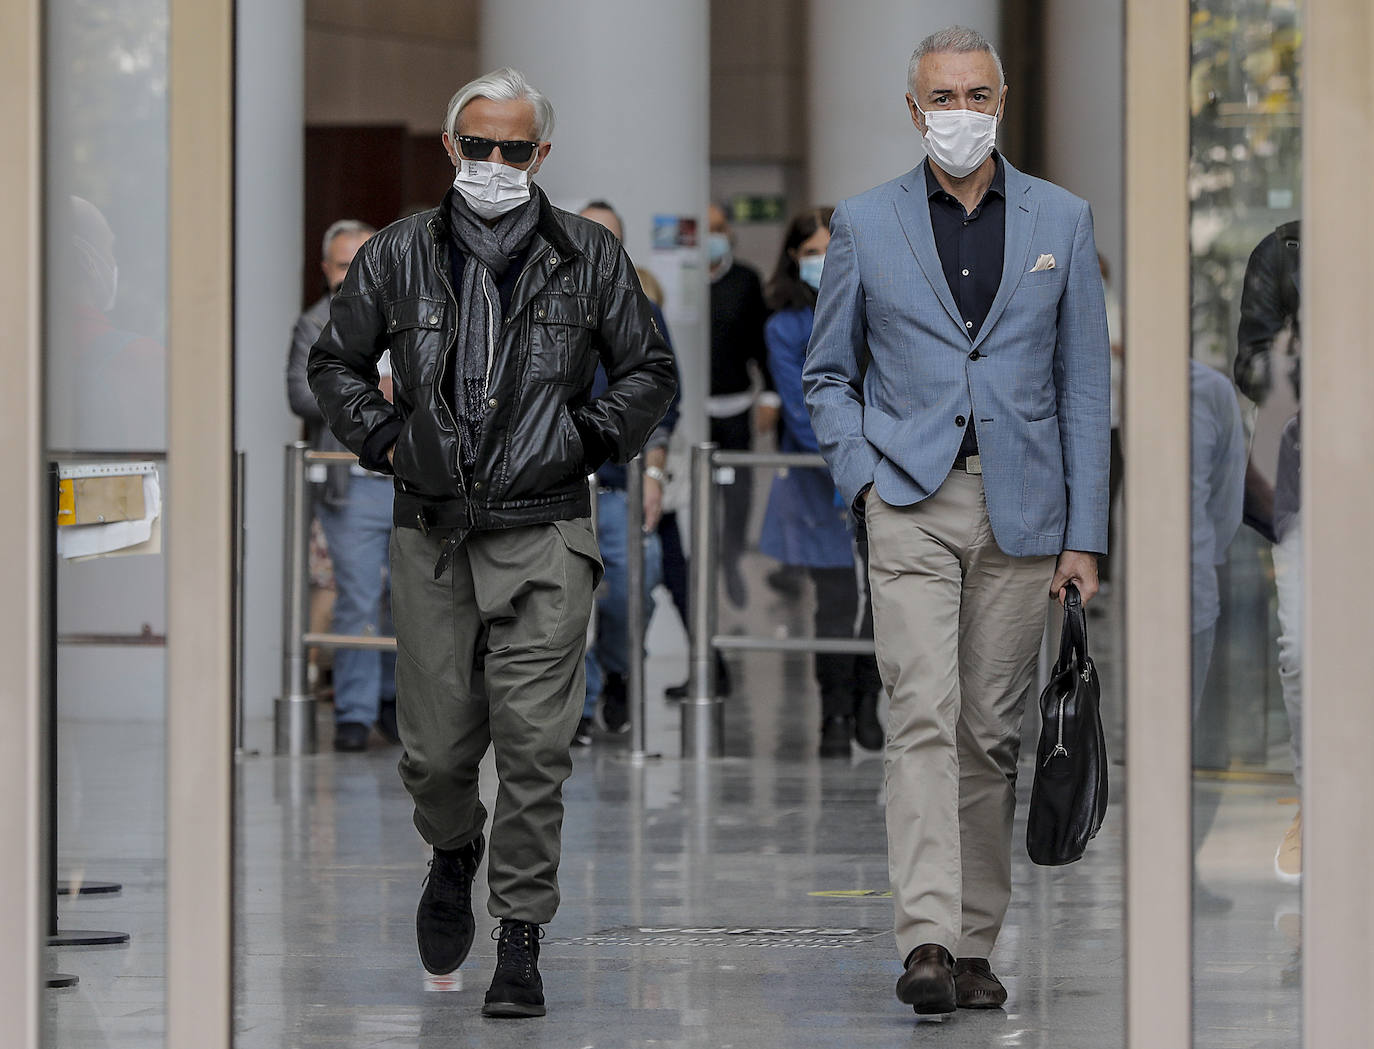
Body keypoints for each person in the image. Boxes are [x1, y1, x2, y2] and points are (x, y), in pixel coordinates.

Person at [307, 68, 676, 1018]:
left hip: (547, 526)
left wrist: (587, 437)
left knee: (535, 746)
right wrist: (389, 442)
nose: (498, 163)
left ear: (542, 154)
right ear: (451, 147)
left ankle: (520, 936)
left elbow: (650, 372)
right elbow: (333, 364)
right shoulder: (394, 255)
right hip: (429, 530)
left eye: (517, 148)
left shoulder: (590, 257)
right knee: (434, 755)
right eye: (481, 145)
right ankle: (453, 846)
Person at [803, 26, 1110, 1014]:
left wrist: (1086, 534)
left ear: (1003, 100)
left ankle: (976, 943)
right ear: (912, 108)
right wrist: (862, 477)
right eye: (943, 96)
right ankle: (928, 934)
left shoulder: (1063, 216)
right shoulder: (864, 220)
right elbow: (827, 373)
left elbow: (1082, 388)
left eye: (977, 94)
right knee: (922, 715)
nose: (961, 113)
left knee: (991, 732)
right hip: (911, 502)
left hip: (1027, 513)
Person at [758, 207, 883, 758]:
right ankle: (833, 710)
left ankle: (866, 701)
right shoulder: (784, 324)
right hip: (819, 476)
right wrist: (851, 459)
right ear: (793, 257)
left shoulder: (874, 306)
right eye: (812, 252)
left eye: (831, 251)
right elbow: (800, 408)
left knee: (884, 594)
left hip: (883, 473)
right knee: (833, 597)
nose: (822, 263)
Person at [287, 219, 399, 753]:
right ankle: (355, 712)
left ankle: (395, 704)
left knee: (407, 597)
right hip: (348, 481)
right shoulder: (314, 323)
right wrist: (366, 388)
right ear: (326, 269)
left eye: (362, 260)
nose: (352, 273)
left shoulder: (411, 311)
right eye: (341, 263)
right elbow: (300, 395)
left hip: (409, 479)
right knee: (356, 597)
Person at [573, 200, 680, 743]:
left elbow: (665, 402)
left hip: (620, 487)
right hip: (561, 488)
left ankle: (618, 672)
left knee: (625, 596)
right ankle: (579, 708)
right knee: (564, 605)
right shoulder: (546, 301)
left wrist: (654, 480)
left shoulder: (642, 313)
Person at [1235, 220, 1303, 884]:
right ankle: (1317, 801)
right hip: (1310, 477)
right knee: (1302, 649)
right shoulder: (1285, 251)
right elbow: (1250, 360)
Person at [706, 201, 772, 608]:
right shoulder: (684, 275)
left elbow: (761, 344)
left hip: (734, 406)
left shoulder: (746, 280)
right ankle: (703, 560)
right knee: (697, 490)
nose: (713, 236)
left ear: (729, 232)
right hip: (691, 409)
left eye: (719, 227)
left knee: (736, 492)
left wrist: (769, 394)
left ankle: (730, 559)